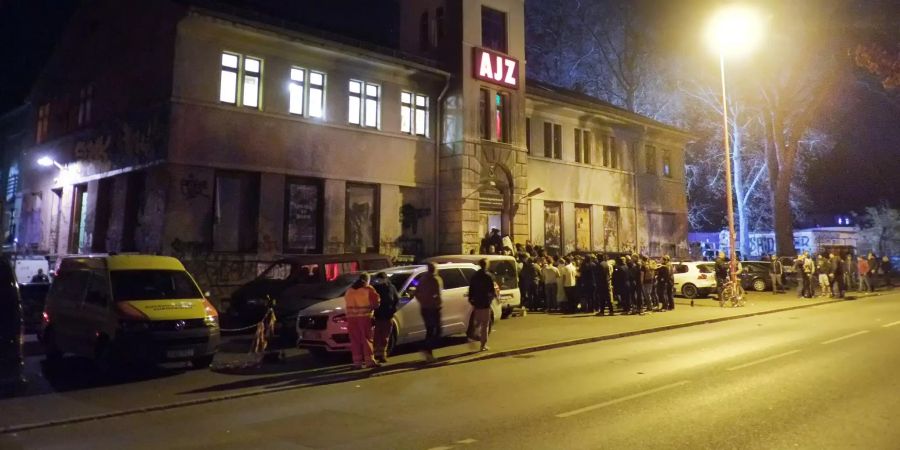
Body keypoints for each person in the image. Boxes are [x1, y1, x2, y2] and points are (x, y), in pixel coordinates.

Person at [343, 273, 380, 369]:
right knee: (366, 339)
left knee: (355, 340)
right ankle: (369, 361)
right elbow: (376, 303)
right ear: (367, 280)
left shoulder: (349, 290)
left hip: (351, 319)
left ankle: (357, 363)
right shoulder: (368, 289)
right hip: (364, 317)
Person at [415, 263, 443, 362]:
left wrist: (422, 301)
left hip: (424, 308)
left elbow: (416, 292)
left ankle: (428, 353)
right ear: (434, 269)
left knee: (430, 330)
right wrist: (437, 303)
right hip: (433, 308)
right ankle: (426, 349)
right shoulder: (436, 279)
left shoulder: (422, 279)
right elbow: (438, 294)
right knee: (437, 331)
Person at [467, 259, 497, 351]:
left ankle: (472, 335)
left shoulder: (475, 276)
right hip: (485, 302)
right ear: (486, 265)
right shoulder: (488, 276)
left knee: (478, 322)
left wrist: (471, 299)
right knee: (485, 324)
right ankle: (483, 344)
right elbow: (492, 290)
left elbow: (471, 289)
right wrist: (492, 298)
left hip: (477, 302)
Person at [371, 272, 399, 364]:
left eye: (381, 279)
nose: (379, 281)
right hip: (378, 316)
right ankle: (376, 354)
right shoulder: (375, 288)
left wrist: (393, 310)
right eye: (379, 279)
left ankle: (382, 355)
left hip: (387, 315)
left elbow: (396, 299)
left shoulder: (391, 288)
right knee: (377, 336)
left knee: (385, 336)